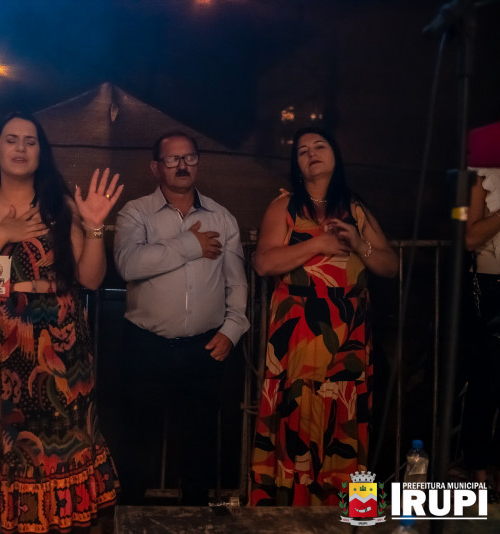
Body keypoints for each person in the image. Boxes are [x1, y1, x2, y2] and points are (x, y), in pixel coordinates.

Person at [0, 112, 121, 533]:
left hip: (58, 349)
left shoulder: (61, 207)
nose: (20, 148)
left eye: (30, 141)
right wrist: (3, 232)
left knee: (56, 446)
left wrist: (95, 228)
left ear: (41, 153)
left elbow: (91, 279)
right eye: (11, 140)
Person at [248, 126, 398, 506]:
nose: (311, 153)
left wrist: (358, 242)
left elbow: (390, 266)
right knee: (299, 413)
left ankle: (347, 512)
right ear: (296, 165)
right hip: (298, 331)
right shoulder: (284, 207)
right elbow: (264, 262)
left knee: (343, 419)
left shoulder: (355, 207)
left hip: (348, 334)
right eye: (302, 150)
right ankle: (292, 513)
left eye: (319, 146)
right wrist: (320, 243)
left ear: (335, 155)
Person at [112, 131, 250, 506]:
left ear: (198, 162)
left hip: (204, 347)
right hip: (146, 346)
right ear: (156, 167)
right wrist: (191, 244)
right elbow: (129, 264)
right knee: (137, 440)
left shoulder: (222, 217)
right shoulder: (136, 212)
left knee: (199, 444)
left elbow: (236, 281)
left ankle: (195, 520)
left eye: (189, 157)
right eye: (172, 159)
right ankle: (131, 519)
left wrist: (232, 329)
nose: (182, 165)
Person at [462, 131, 500, 502]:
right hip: (493, 285)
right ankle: (478, 472)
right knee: (487, 380)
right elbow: (470, 238)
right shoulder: (484, 172)